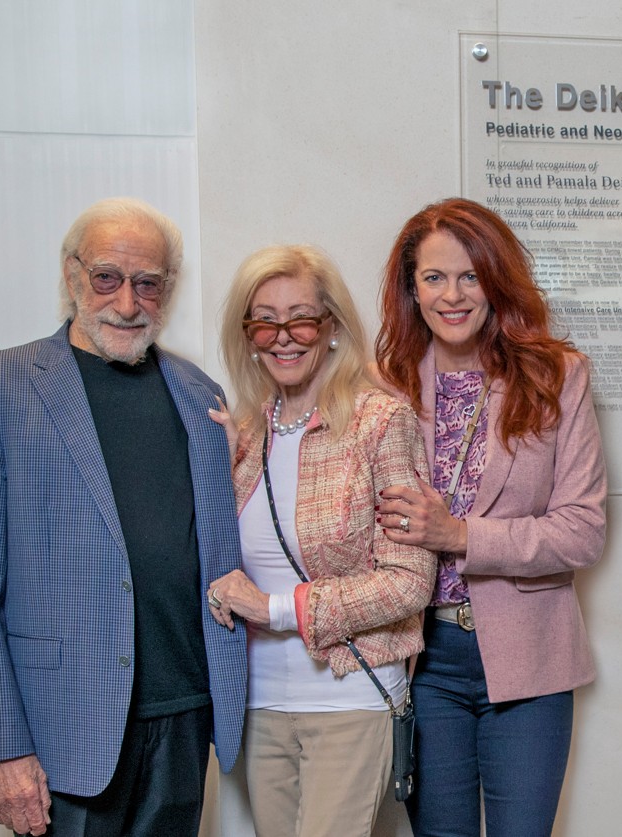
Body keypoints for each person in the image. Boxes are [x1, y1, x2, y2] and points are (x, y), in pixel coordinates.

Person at [0, 197, 246, 836]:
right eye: (107, 277)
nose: (127, 302)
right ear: (72, 274)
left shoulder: (201, 395)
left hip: (183, 721)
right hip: (62, 732)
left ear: (169, 290)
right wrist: (2, 747)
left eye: (148, 284)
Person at [371, 197, 608, 837]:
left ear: (496, 280)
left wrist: (461, 536)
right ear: (410, 289)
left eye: (470, 275)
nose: (453, 295)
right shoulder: (383, 384)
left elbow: (582, 529)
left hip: (531, 657)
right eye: (434, 277)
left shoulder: (557, 375)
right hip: (422, 661)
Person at [204, 245, 436, 837]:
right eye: (264, 320)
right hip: (260, 705)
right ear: (248, 332)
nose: (283, 336)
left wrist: (278, 610)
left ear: (331, 327)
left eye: (301, 318)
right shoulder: (249, 430)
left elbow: (409, 582)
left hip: (348, 698)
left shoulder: (380, 422)